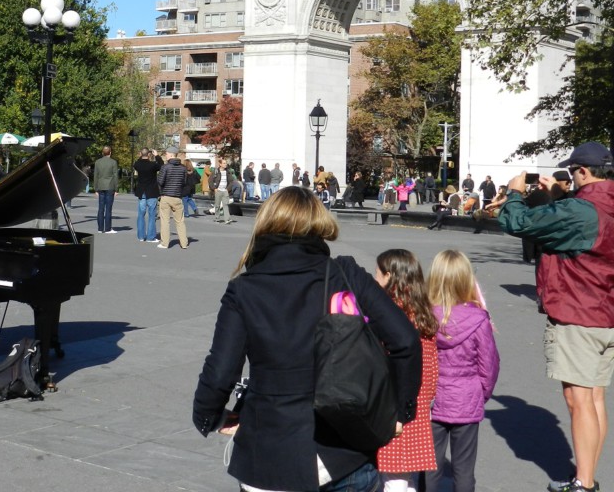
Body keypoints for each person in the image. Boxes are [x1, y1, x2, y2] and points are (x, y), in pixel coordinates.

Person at [192, 186, 421, 492]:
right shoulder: (344, 273)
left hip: (270, 453)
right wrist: (400, 411)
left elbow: (220, 370)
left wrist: (210, 417)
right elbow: (405, 339)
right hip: (345, 445)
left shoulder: (245, 289)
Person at [496, 142, 614, 492]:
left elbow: (516, 222)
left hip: (578, 309)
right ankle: (586, 472)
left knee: (579, 400)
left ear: (582, 171)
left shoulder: (580, 209)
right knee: (594, 397)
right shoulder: (593, 205)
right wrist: (561, 197)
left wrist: (514, 192)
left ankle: (584, 482)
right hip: (605, 309)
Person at [425, 250, 500, 492]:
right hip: (466, 396)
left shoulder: (424, 316)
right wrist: (482, 392)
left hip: (433, 397)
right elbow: (489, 364)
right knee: (464, 469)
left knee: (430, 466)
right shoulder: (479, 320)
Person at [375, 249, 440, 492]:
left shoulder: (392, 316)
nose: (374, 278)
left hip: (396, 405)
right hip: (419, 404)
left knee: (393, 479)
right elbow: (432, 367)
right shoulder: (422, 313)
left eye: (377, 273)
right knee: (405, 477)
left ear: (390, 276)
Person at [156, 149, 188, 250]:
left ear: (170, 155)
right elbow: (184, 182)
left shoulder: (165, 167)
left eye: (166, 154)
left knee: (165, 221)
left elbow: (160, 181)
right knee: (180, 221)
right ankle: (184, 243)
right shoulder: (183, 168)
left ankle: (165, 243)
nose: (165, 155)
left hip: (166, 196)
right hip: (177, 197)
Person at [132, 148, 161, 242]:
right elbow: (161, 165)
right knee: (152, 215)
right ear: (149, 154)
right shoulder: (152, 165)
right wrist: (156, 155)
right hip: (151, 192)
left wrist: (141, 156)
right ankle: (150, 236)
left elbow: (136, 163)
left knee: (141, 214)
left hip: (141, 192)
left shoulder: (137, 164)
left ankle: (141, 236)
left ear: (141, 154)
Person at [92, 146, 119, 234]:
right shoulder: (113, 162)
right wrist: (116, 189)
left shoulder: (98, 162)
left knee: (101, 208)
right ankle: (108, 228)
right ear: (110, 152)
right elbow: (115, 176)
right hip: (110, 186)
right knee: (108, 208)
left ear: (102, 153)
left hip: (100, 186)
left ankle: (100, 228)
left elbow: (95, 175)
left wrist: (95, 188)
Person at [210, 158, 236, 225]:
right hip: (218, 190)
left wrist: (227, 189)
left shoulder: (228, 172)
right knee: (217, 205)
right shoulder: (216, 171)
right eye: (224, 163)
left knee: (225, 205)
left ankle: (227, 219)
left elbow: (231, 181)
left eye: (226, 163)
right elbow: (210, 180)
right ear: (220, 164)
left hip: (225, 191)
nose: (225, 164)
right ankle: (217, 218)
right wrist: (214, 188)